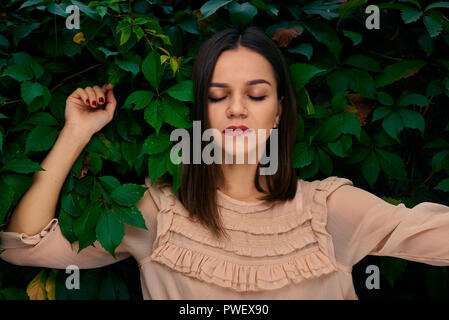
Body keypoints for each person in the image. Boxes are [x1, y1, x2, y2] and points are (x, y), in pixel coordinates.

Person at [1, 26, 448, 300]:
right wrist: (76, 132)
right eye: (218, 95)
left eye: (256, 95)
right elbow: (22, 246)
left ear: (278, 113)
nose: (237, 109)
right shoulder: (158, 215)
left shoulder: (329, 211)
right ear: (199, 113)